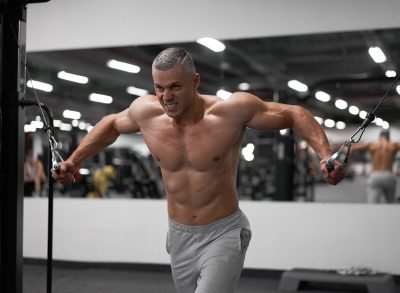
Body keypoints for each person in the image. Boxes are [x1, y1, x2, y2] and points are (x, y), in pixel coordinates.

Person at [52, 47, 344, 293]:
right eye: (159, 87)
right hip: (178, 235)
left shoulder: (230, 112)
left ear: (195, 81)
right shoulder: (146, 113)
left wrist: (325, 156)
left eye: (175, 86)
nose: (166, 96)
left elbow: (294, 113)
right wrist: (73, 162)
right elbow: (112, 125)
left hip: (223, 232)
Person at [351, 130, 400, 203]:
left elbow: (353, 148)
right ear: (389, 136)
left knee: (373, 204)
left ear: (379, 136)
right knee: (390, 203)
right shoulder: (394, 145)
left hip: (375, 175)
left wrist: (351, 158)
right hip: (389, 175)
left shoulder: (371, 145)